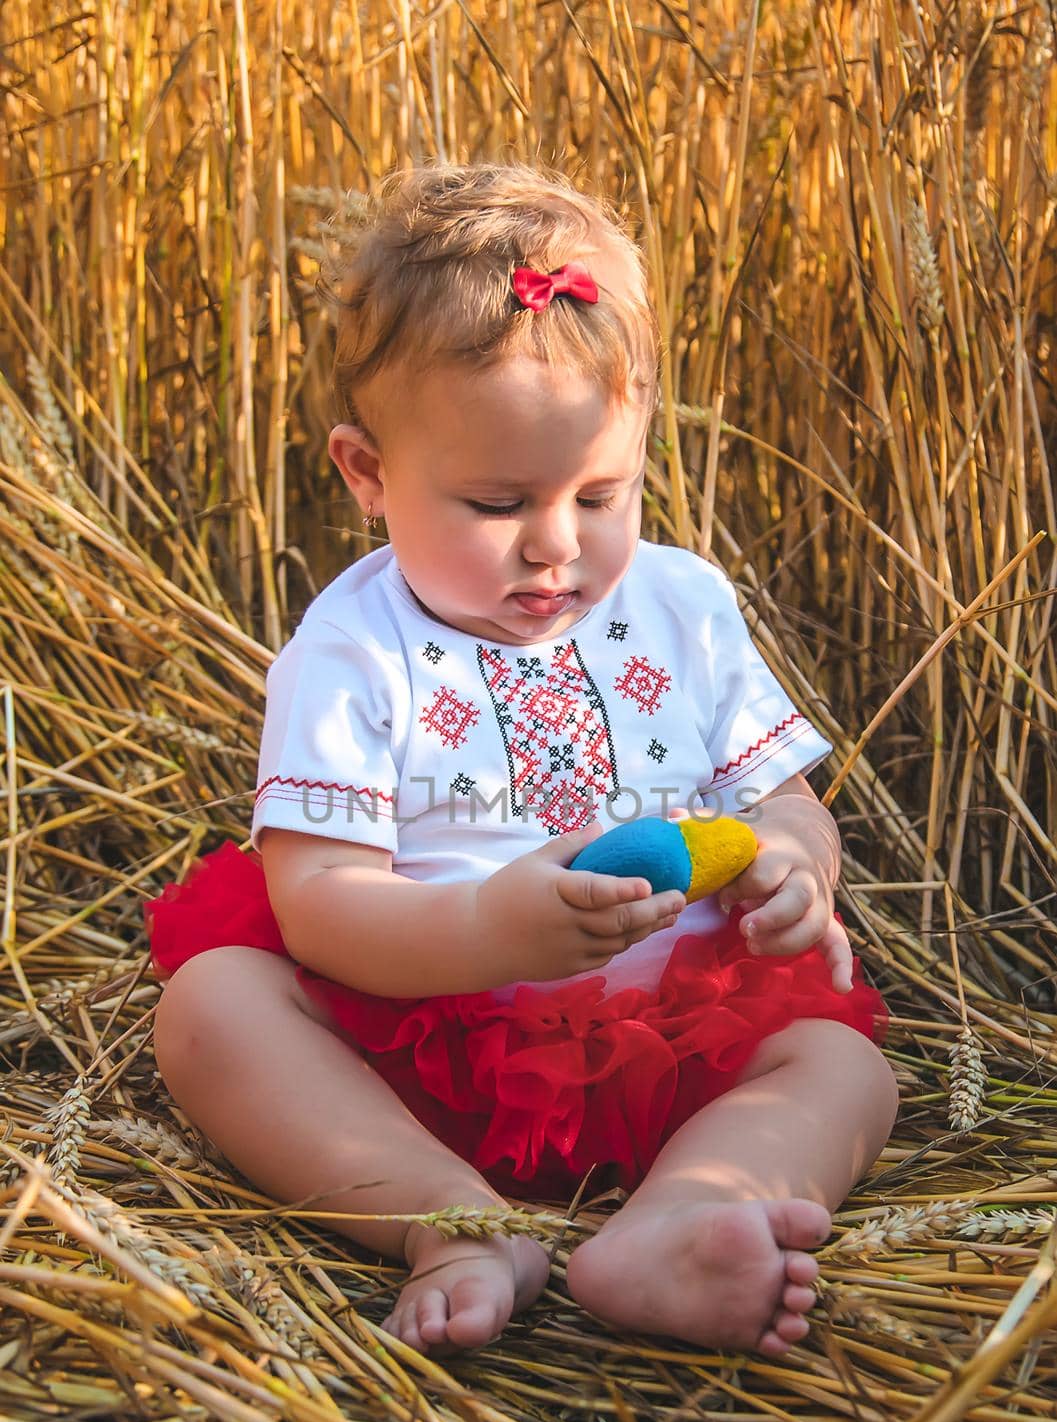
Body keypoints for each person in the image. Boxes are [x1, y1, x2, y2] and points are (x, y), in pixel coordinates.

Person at [145, 162, 897, 1361]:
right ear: (367, 473)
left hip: (670, 1039)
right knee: (211, 1009)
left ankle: (686, 1214)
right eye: (497, 503)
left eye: (601, 493)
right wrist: (492, 931)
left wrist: (797, 865)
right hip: (420, 1042)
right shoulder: (352, 647)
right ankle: (453, 1219)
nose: (555, 546)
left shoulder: (683, 604)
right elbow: (318, 902)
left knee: (844, 1066)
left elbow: (780, 797)